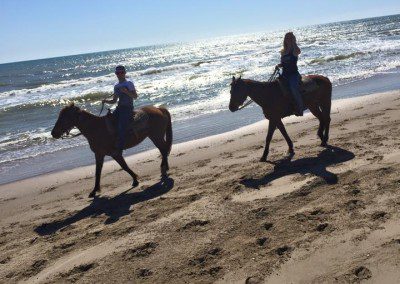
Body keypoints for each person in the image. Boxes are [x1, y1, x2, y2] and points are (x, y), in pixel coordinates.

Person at [103, 65, 138, 154]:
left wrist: (126, 91)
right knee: (109, 121)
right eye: (118, 73)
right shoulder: (116, 85)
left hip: (128, 108)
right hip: (119, 108)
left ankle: (120, 148)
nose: (120, 74)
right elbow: (114, 100)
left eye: (121, 72)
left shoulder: (129, 83)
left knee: (121, 126)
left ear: (125, 73)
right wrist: (105, 101)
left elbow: (135, 96)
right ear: (115, 74)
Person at [276, 32, 304, 116]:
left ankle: (300, 108)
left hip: (293, 74)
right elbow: (283, 63)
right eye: (286, 38)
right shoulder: (283, 51)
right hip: (284, 75)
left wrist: (294, 42)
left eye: (290, 38)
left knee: (293, 88)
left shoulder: (295, 50)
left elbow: (298, 51)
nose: (288, 40)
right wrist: (279, 65)